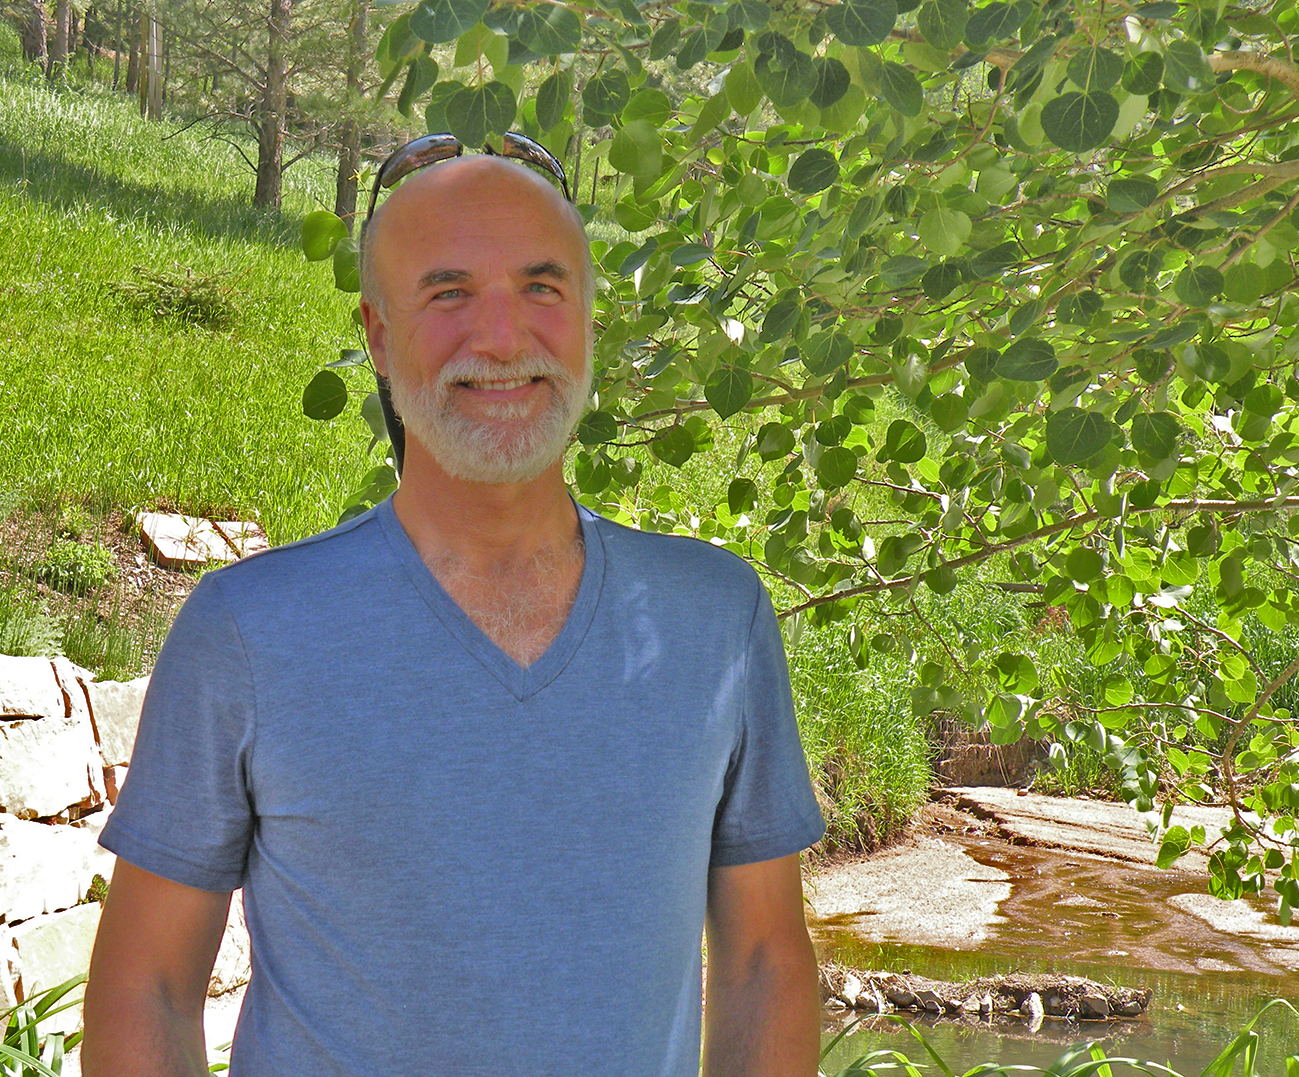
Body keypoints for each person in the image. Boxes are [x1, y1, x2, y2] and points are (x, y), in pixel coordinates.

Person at [82, 138, 826, 1077]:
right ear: (378, 334)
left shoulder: (713, 622)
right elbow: (145, 987)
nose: (502, 338)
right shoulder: (249, 631)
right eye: (449, 293)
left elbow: (763, 963)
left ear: (588, 320)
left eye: (542, 288)